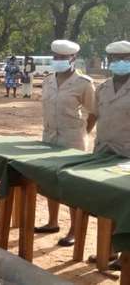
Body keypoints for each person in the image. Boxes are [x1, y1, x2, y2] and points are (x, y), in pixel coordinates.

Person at [34, 40, 97, 247]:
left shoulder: (84, 83)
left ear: (73, 59)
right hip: (49, 138)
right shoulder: (48, 81)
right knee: (50, 182)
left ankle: (74, 230)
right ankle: (52, 222)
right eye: (56, 57)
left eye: (62, 58)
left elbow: (94, 112)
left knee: (72, 187)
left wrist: (84, 132)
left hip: (72, 141)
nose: (58, 61)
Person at [87, 40, 130, 271]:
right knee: (105, 203)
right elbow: (94, 115)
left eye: (126, 58)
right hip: (103, 152)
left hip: (127, 155)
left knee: (125, 207)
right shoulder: (102, 88)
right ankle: (107, 250)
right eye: (116, 59)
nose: (120, 62)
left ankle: (125, 255)